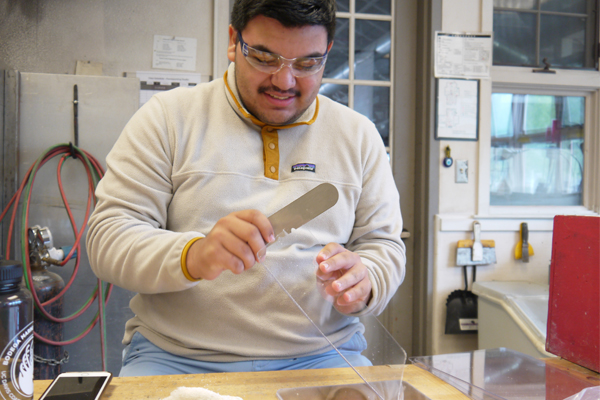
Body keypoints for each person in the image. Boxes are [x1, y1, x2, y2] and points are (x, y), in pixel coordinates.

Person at [86, 0, 405, 377]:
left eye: (307, 64)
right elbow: (107, 239)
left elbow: (384, 246)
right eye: (265, 58)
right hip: (178, 357)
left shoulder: (358, 136)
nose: (284, 81)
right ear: (234, 42)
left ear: (327, 53)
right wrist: (194, 255)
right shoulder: (168, 118)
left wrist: (366, 280)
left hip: (325, 356)